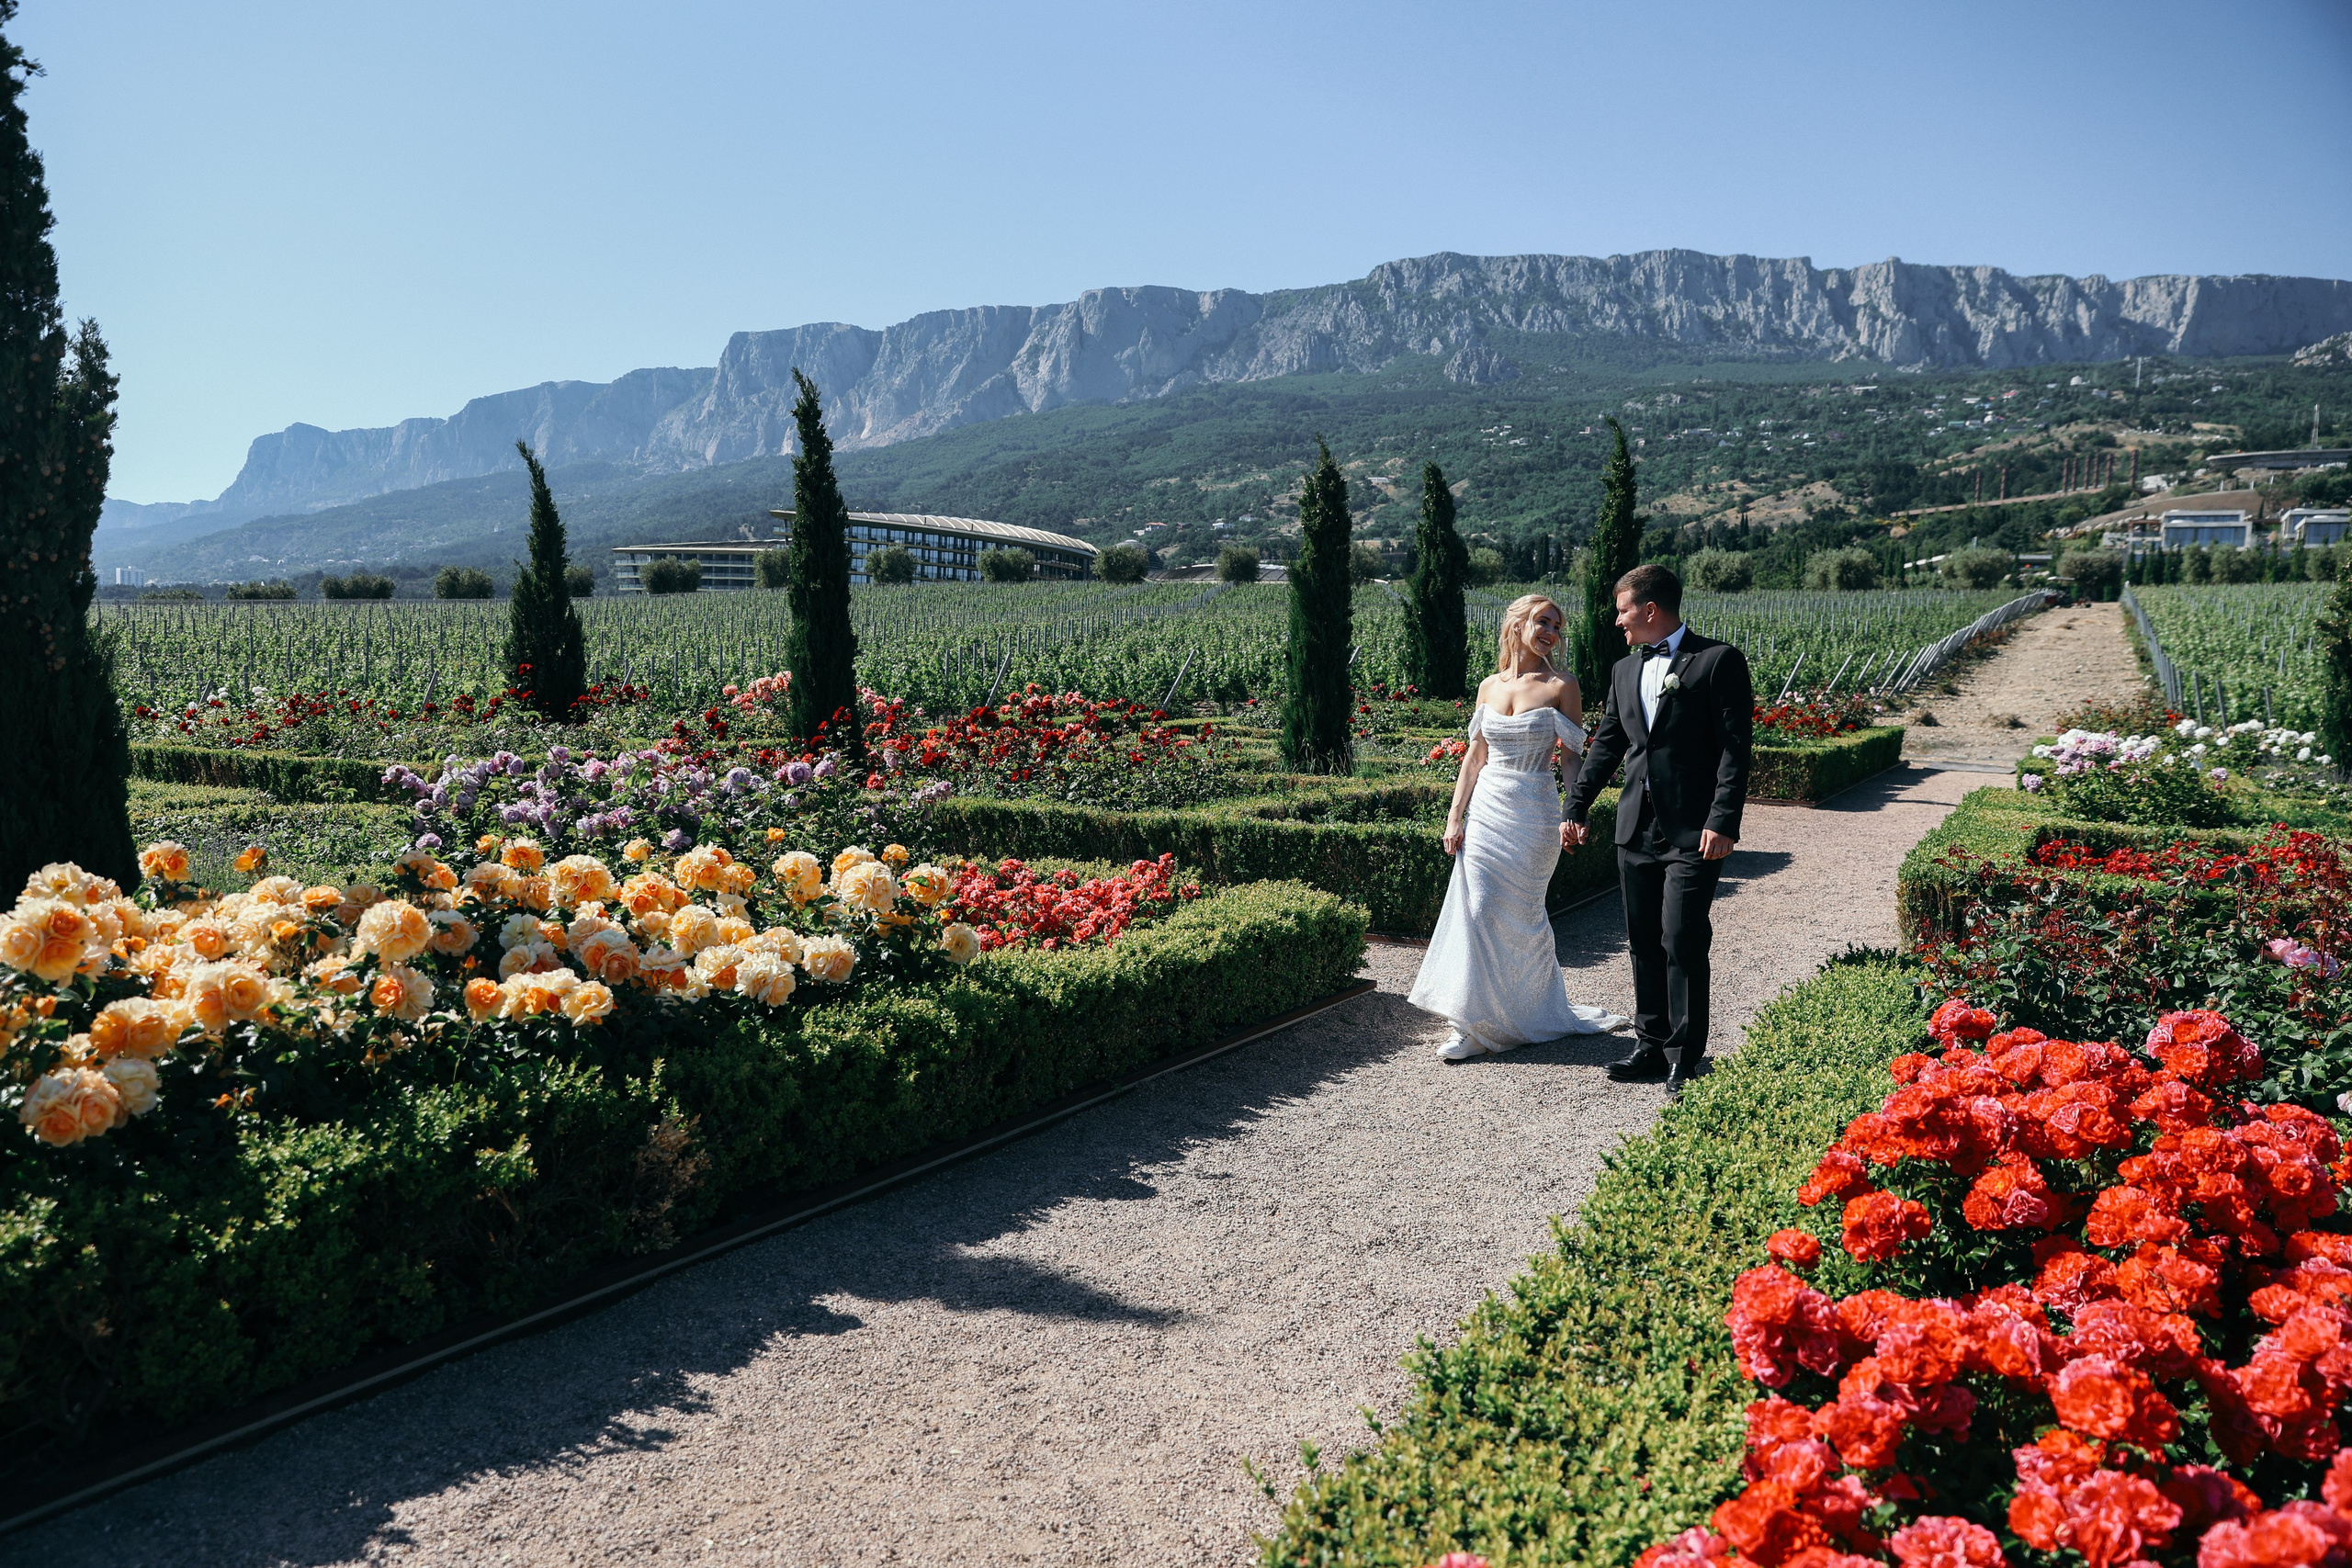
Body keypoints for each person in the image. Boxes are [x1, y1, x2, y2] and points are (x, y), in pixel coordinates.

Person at [1408, 593, 1631, 1060]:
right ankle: (1469, 1023)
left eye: (1557, 626)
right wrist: (1455, 817)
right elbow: (1474, 757)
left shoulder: (1562, 685)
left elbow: (1572, 758)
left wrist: (1577, 811)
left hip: (1534, 812)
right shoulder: (1488, 686)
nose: (1551, 631)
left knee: (1522, 918)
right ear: (1518, 625)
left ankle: (1525, 1012)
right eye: (1543, 621)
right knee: (1476, 909)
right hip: (1487, 809)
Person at [1563, 563, 1752, 1096]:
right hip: (1635, 828)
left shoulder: (1718, 661)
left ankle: (1683, 1054)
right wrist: (1574, 809)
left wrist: (1723, 821)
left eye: (1622, 611)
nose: (1618, 622)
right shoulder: (1625, 669)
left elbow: (1736, 752)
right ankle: (1649, 1042)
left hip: (1693, 831)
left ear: (1649, 610)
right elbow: (1606, 745)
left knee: (1682, 936)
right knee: (1643, 939)